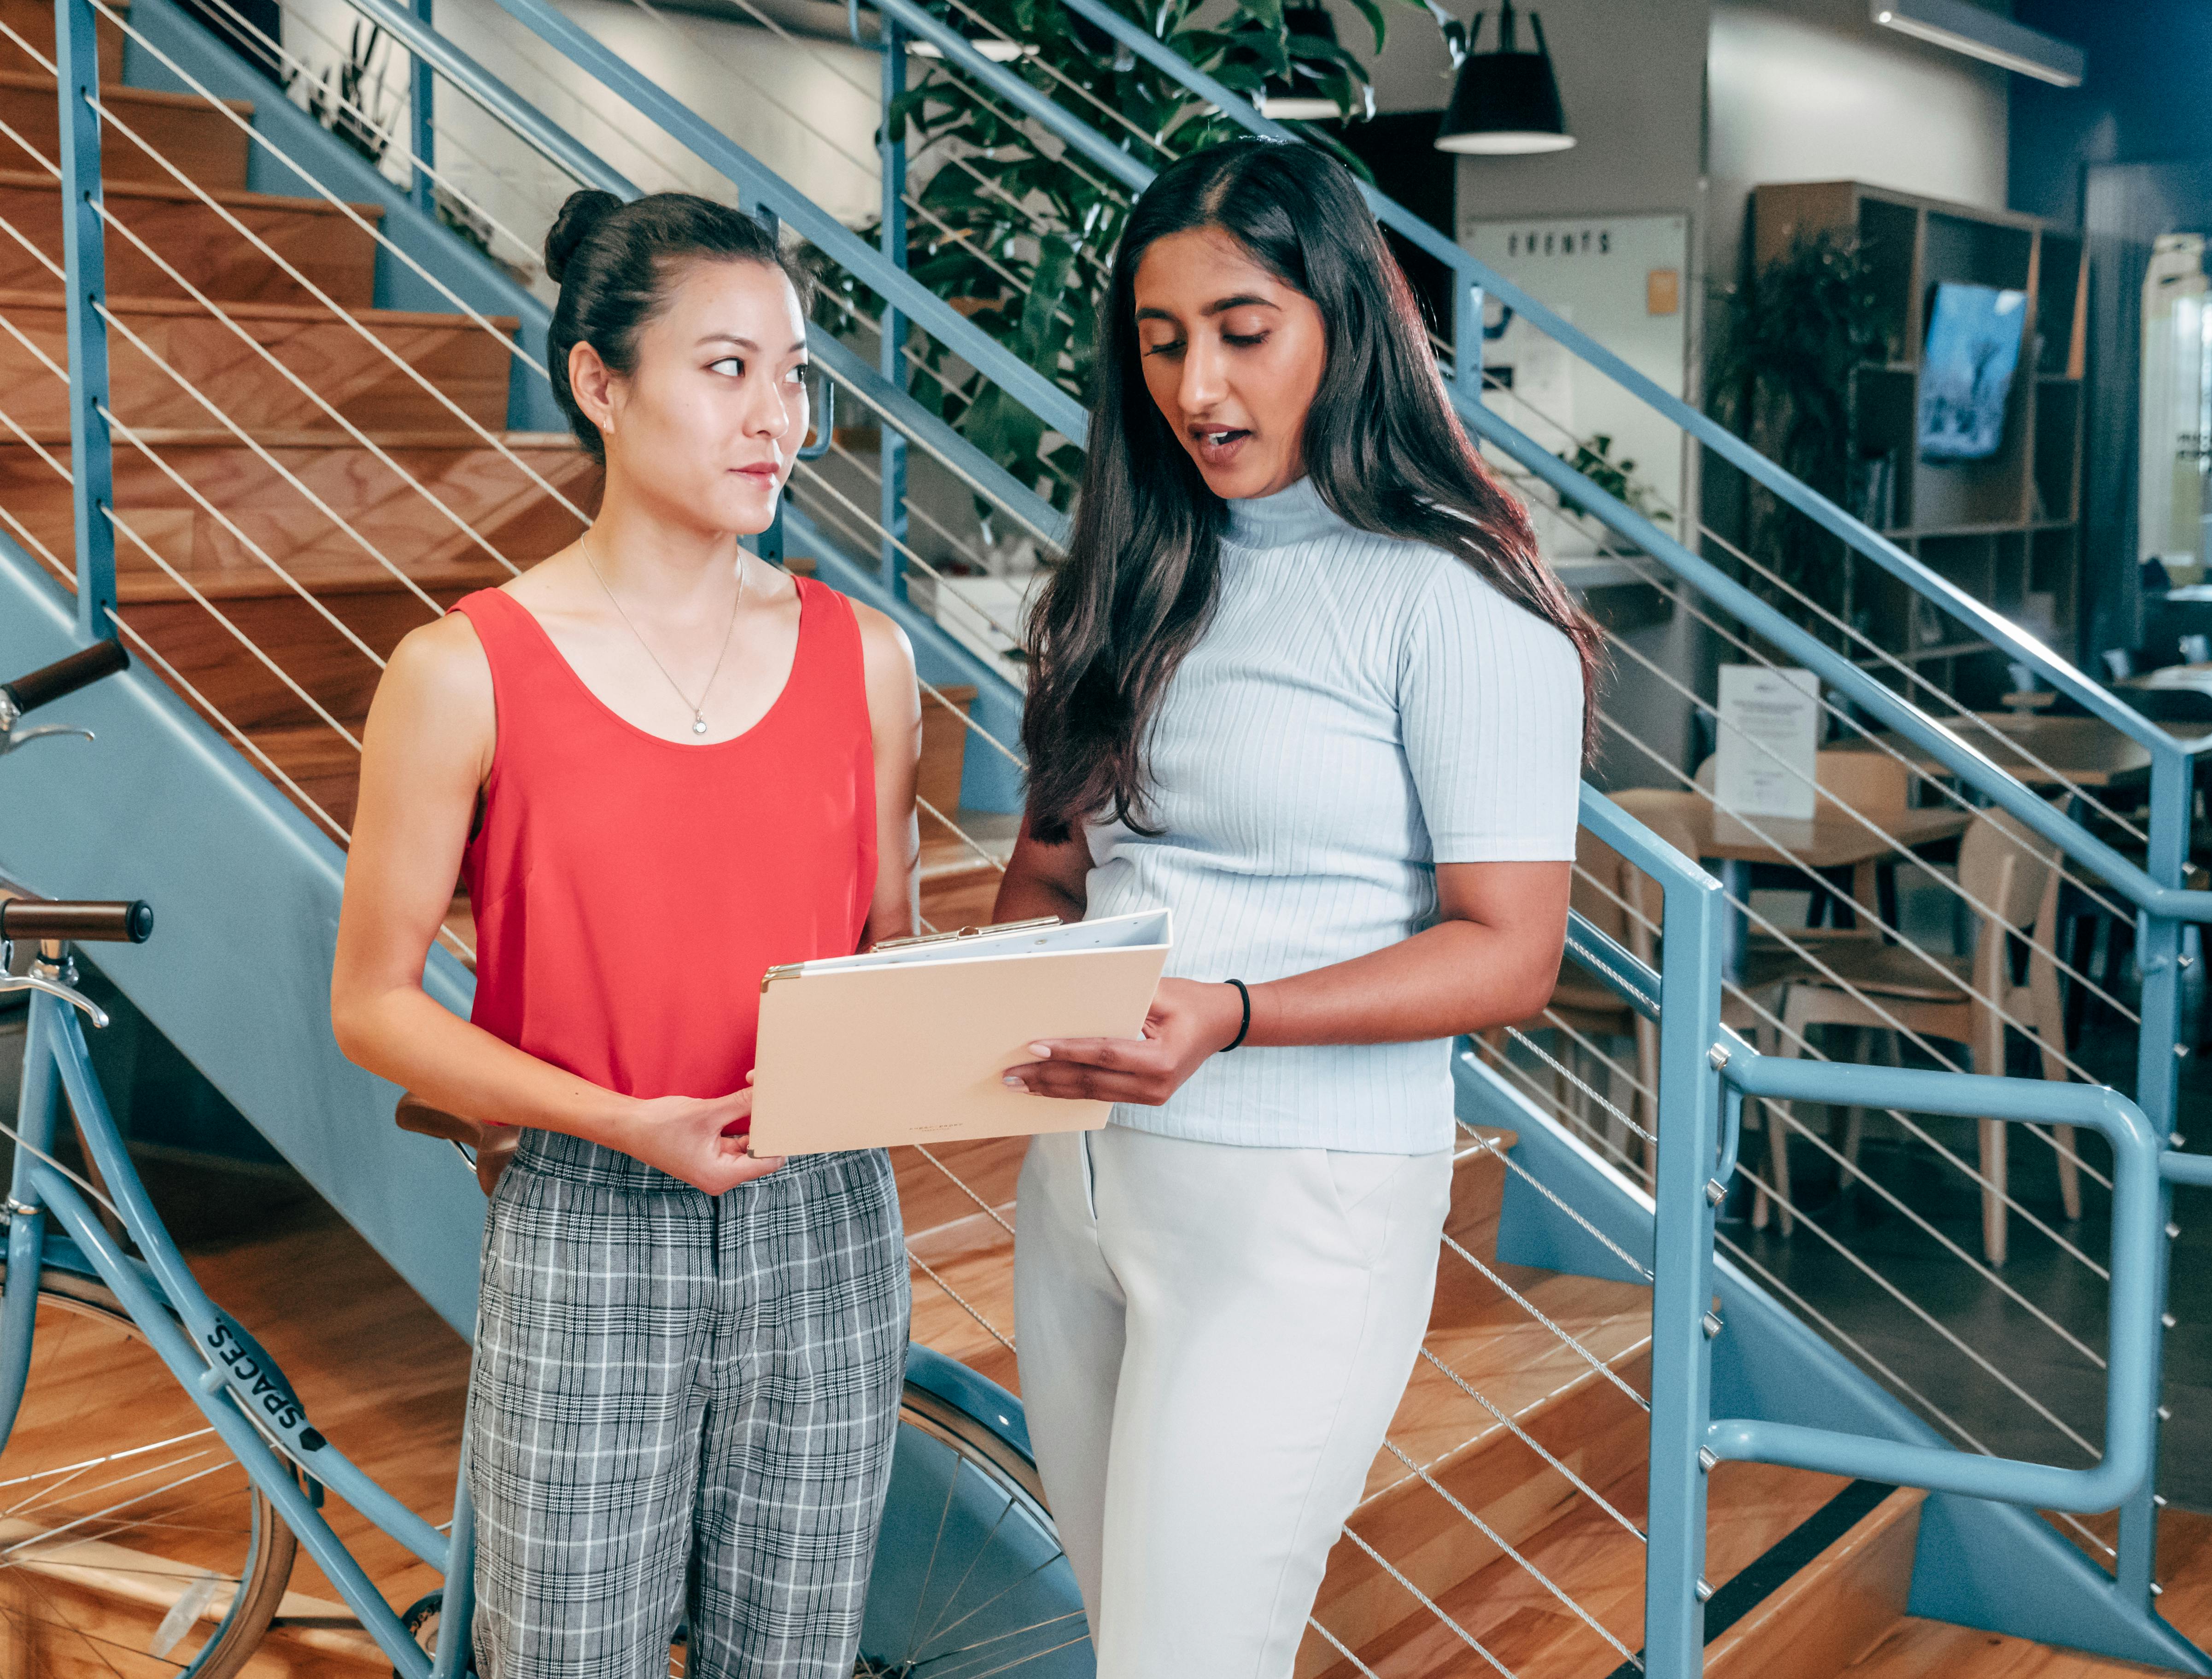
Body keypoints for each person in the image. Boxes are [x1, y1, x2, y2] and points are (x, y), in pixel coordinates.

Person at [992, 137, 1600, 1677]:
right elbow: (1056, 872)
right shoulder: (1127, 573)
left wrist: (1237, 1014)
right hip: (1080, 1190)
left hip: (1296, 1204)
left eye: (1242, 333)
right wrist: (965, 999)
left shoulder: (1454, 595)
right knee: (1127, 1643)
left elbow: (1511, 950)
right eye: (1162, 340)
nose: (1199, 386)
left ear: (1342, 320)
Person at [330, 190, 920, 1679]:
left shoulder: (870, 659)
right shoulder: (460, 670)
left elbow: (889, 958)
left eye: (793, 374)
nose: (773, 417)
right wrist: (614, 1118)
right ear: (600, 382)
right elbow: (374, 1006)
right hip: (592, 1211)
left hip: (828, 1217)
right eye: (725, 368)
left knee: (793, 1657)